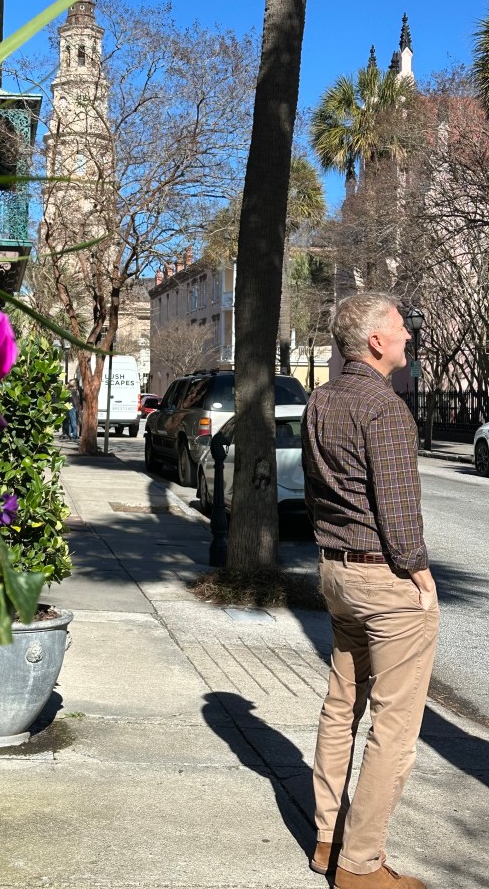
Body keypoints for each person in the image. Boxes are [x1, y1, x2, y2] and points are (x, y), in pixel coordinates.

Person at [301, 292, 439, 889]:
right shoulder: (385, 409)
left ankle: (327, 837)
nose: (408, 335)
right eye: (401, 327)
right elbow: (399, 510)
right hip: (385, 580)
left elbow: (315, 491)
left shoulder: (320, 401)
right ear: (377, 341)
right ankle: (359, 866)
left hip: (336, 573)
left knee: (341, 707)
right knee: (394, 727)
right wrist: (421, 576)